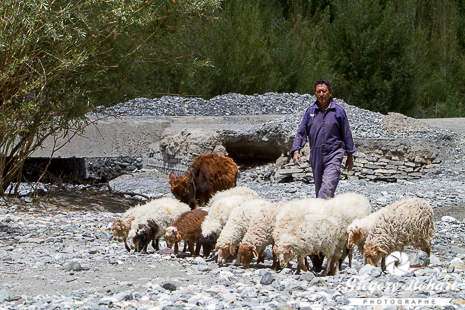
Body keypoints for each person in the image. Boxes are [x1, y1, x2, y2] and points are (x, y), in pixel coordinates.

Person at [289, 79, 356, 199]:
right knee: (319, 190)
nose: (321, 94)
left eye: (324, 91)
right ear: (315, 93)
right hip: (316, 154)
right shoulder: (310, 111)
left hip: (334, 153)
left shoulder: (338, 111)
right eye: (318, 91)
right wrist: (296, 150)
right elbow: (301, 133)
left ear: (330, 93)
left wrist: (350, 156)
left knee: (326, 189)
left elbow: (347, 134)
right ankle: (325, 215)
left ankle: (320, 214)